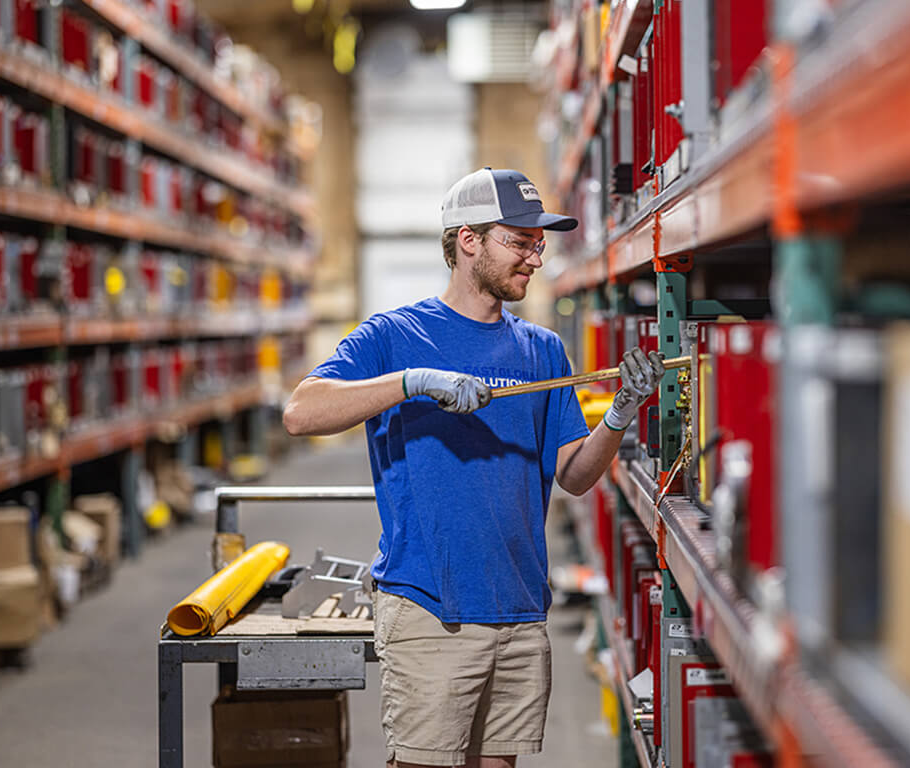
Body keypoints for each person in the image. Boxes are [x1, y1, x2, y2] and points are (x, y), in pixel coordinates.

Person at [283, 167, 665, 768]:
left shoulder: (542, 350)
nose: (535, 258)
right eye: (520, 241)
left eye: (539, 243)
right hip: (433, 608)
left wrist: (618, 417)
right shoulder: (394, 336)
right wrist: (410, 383)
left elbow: (572, 474)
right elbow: (301, 413)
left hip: (518, 610)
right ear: (468, 240)